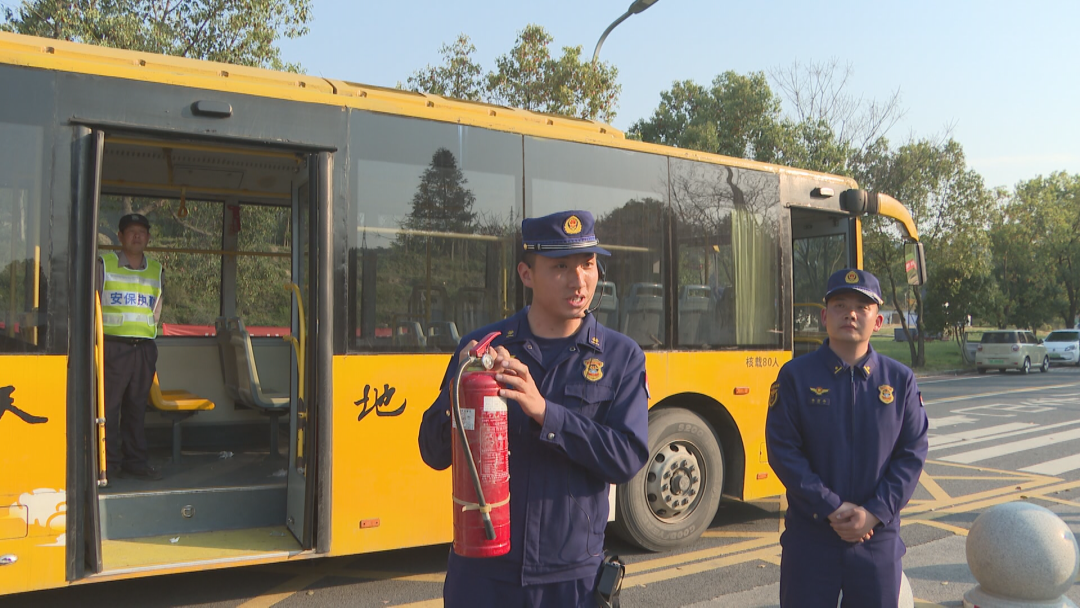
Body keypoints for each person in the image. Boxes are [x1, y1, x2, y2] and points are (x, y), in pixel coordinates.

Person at [418, 210, 649, 608]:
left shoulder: (621, 357)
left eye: (588, 264)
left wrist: (546, 412)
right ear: (527, 274)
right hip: (482, 570)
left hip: (570, 577)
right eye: (560, 267)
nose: (579, 280)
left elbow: (626, 457)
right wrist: (464, 386)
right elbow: (433, 452)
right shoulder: (483, 346)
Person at [765, 268, 928, 608]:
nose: (850, 314)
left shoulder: (899, 381)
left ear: (878, 321)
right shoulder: (796, 376)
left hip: (876, 541)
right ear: (824, 316)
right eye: (839, 305)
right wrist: (831, 506)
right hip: (811, 540)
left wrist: (874, 512)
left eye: (862, 307)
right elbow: (784, 451)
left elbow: (911, 453)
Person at [98, 213, 164, 481]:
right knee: (110, 409)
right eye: (131, 231)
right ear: (120, 236)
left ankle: (136, 463)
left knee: (137, 409)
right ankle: (108, 465)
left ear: (148, 237)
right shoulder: (105, 264)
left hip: (144, 350)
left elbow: (156, 310)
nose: (137, 236)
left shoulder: (156, 269)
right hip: (113, 348)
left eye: (142, 231)